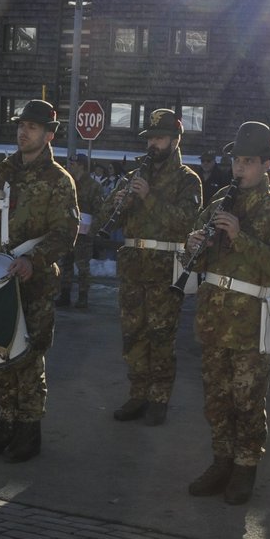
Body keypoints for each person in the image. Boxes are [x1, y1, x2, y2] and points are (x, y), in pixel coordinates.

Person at [182, 122, 270, 504]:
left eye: (248, 161)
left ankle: (245, 466)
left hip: (251, 322)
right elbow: (196, 261)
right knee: (216, 398)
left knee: (247, 400)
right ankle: (221, 461)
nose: (239, 168)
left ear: (266, 163)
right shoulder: (218, 202)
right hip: (214, 318)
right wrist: (193, 244)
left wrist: (240, 237)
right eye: (236, 160)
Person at [0, 99, 80, 463]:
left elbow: (65, 232)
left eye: (31, 126)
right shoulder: (0, 177)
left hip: (34, 283)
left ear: (48, 134)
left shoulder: (59, 181)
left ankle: (29, 431)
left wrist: (34, 259)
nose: (23, 132)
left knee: (28, 358)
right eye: (20, 125)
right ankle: (5, 424)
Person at [108, 109, 203, 427]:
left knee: (161, 337)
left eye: (160, 138)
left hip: (164, 269)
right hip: (134, 267)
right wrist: (122, 200)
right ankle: (138, 394)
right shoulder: (136, 175)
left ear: (175, 141)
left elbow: (185, 222)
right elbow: (109, 213)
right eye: (150, 138)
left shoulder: (188, 179)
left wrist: (148, 198)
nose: (153, 144)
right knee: (133, 334)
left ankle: (159, 399)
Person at [60, 154, 101, 309]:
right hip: (68, 231)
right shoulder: (68, 184)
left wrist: (93, 231)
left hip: (84, 233)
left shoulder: (93, 186)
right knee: (66, 264)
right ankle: (65, 295)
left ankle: (83, 297)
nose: (70, 166)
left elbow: (99, 210)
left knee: (83, 266)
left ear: (82, 166)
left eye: (74, 164)